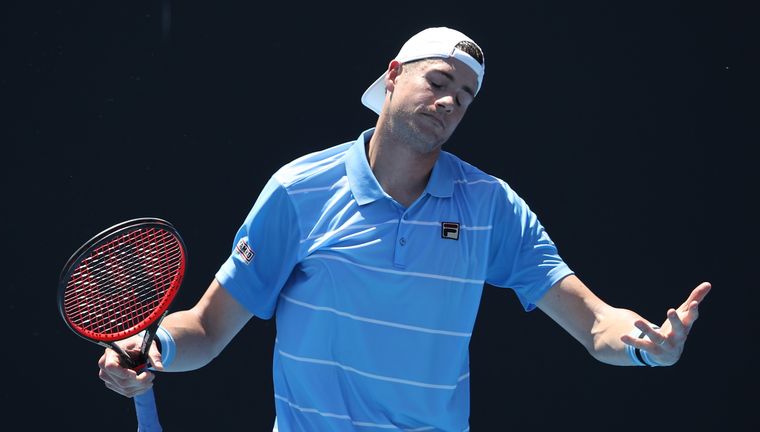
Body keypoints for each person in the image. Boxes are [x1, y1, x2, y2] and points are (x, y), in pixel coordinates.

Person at [98, 27, 711, 431]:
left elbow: (594, 322)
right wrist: (155, 349)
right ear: (393, 76)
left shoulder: (490, 206)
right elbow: (205, 328)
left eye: (465, 96)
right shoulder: (298, 191)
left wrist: (645, 345)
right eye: (438, 82)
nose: (449, 101)